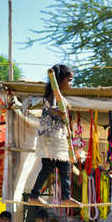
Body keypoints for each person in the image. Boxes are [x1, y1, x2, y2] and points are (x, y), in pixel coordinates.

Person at [29, 64, 79, 207]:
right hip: (51, 138)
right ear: (59, 80)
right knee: (53, 167)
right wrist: (58, 113)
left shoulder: (57, 96)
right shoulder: (53, 95)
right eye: (69, 80)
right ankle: (36, 196)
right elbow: (50, 109)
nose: (70, 83)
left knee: (63, 166)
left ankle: (64, 197)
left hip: (55, 137)